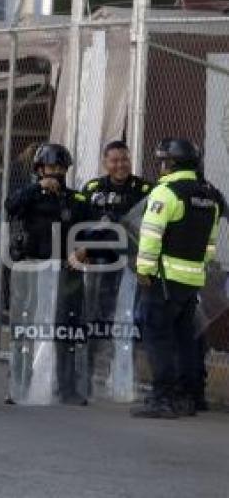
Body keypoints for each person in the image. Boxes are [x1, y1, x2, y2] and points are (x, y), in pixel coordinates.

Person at [131, 139, 220, 419]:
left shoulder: (165, 193)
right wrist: (195, 269)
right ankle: (188, 397)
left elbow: (151, 235)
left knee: (159, 339)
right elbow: (210, 244)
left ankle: (162, 398)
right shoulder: (209, 197)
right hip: (191, 280)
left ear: (172, 163)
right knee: (186, 340)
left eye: (164, 160)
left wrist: (144, 271)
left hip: (163, 280)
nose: (161, 165)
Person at [6, 143, 93, 405]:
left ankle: (66, 388)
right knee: (25, 328)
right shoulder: (29, 195)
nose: (55, 172)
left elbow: (92, 229)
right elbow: (11, 207)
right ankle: (19, 385)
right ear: (40, 169)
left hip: (65, 272)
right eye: (50, 168)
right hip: (32, 269)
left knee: (65, 328)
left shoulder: (77, 200)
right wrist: (38, 189)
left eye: (59, 168)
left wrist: (84, 250)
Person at [81, 141, 152, 395]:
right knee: (94, 320)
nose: (120, 165)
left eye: (124, 159)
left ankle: (123, 380)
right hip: (99, 265)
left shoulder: (145, 189)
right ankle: (85, 379)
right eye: (114, 160)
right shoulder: (93, 189)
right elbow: (82, 224)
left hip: (131, 267)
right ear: (105, 163)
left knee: (126, 323)